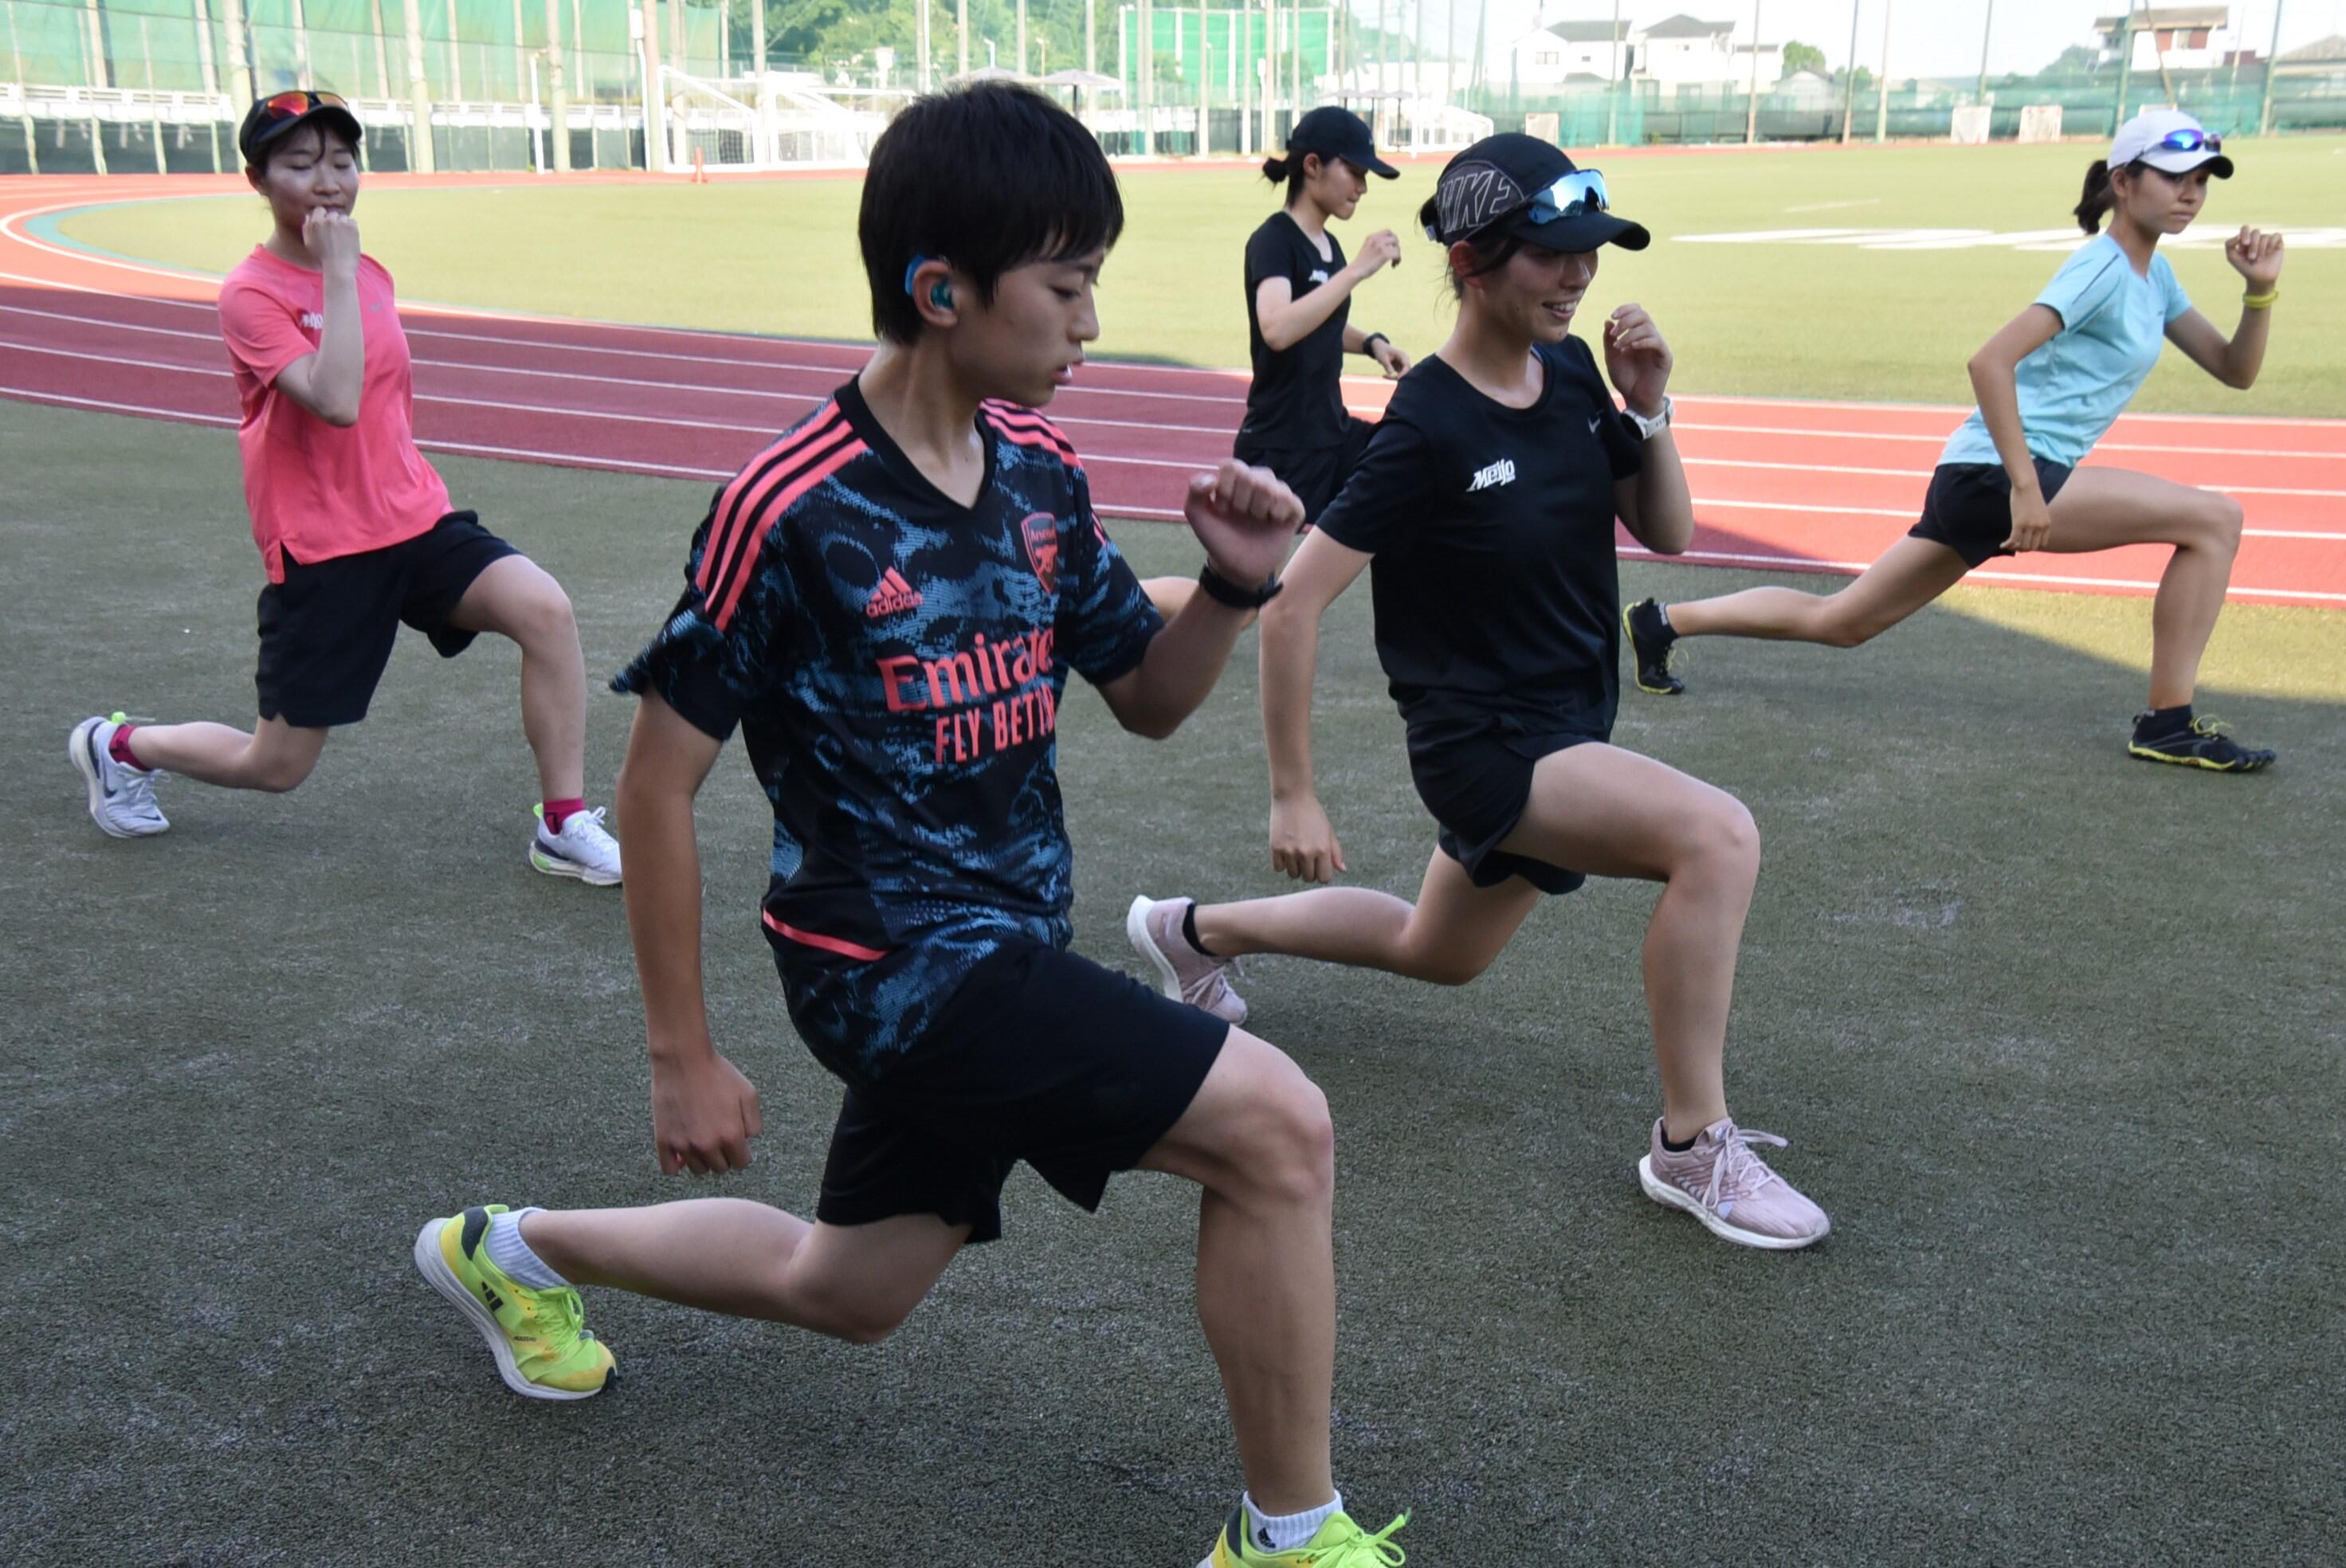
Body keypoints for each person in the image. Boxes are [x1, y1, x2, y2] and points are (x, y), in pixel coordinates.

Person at [411, 85, 1410, 1566]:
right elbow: (654, 786)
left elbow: (1141, 693)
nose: (1088, 322)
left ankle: (507, 1245)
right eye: (1065, 288)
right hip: (880, 964)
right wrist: (681, 1050)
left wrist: (1236, 584)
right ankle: (1288, 1533)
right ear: (942, 291)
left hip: (1005, 938)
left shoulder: (1039, 474)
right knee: (1274, 1124)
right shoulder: (789, 505)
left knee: (853, 1284)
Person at [1128, 136, 1831, 1252]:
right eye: (1553, 256)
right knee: (1718, 837)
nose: (1579, 277)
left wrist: (1648, 411)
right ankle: (1691, 1146)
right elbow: (1298, 604)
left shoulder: (1569, 374)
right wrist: (1293, 793)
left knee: (1434, 951)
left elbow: (1669, 532)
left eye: (1589, 253)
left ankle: (1192, 933)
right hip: (1486, 743)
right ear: (1474, 257)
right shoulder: (1429, 422)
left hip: (1568, 724)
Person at [1622, 108, 2281, 774]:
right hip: (2006, 476)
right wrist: (2026, 488)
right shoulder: (2102, 270)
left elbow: (2235, 370)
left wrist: (2260, 294)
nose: (2191, 192)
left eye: (2201, 179)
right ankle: (2167, 722)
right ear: (2124, 182)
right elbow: (1989, 361)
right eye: (2173, 178)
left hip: (1985, 478)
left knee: (1843, 622)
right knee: (2214, 518)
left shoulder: (2155, 278)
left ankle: (1663, 620)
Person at [67, 92, 622, 880]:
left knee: (545, 609)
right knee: (278, 763)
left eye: (341, 162)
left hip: (415, 518)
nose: (328, 182)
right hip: (324, 546)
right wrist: (332, 273)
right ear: (256, 179)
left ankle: (561, 823)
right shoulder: (250, 295)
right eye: (300, 165)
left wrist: (343, 274)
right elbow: (334, 401)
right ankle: (118, 746)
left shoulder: (368, 273)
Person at [1144, 107, 1410, 617]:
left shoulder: (1326, 245)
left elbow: (1322, 321)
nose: (1362, 186)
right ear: (1312, 166)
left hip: (1330, 435)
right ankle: (1119, 598)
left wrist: (1372, 342)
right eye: (1354, 172)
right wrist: (1356, 271)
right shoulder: (1274, 241)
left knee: (1406, 472)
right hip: (1283, 446)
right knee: (1239, 608)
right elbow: (1279, 327)